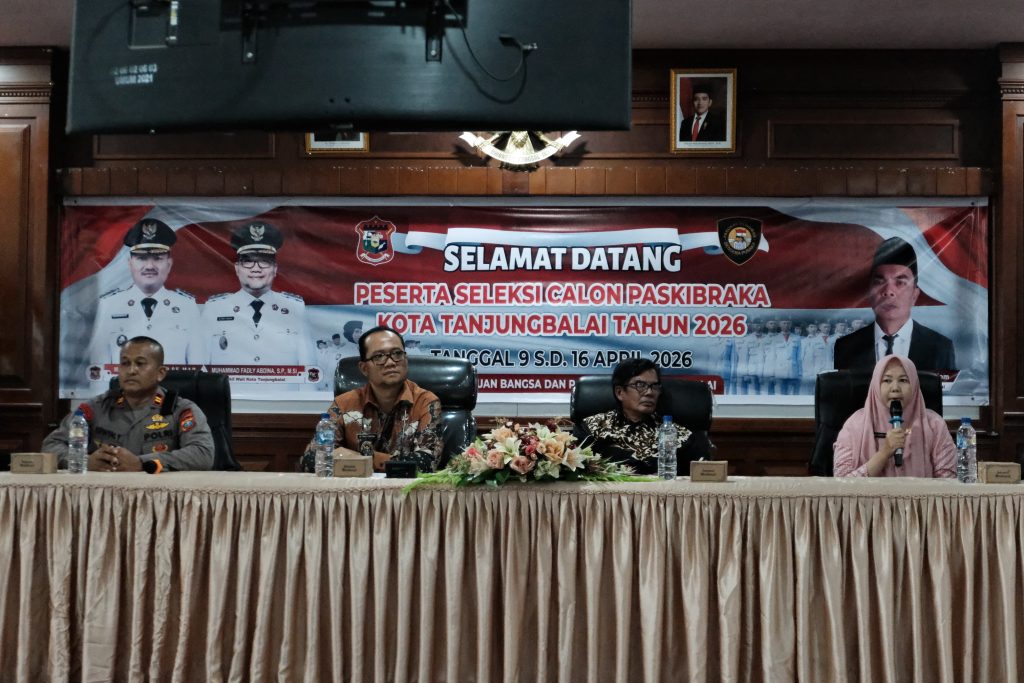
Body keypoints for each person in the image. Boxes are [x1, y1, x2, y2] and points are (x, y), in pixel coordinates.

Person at [43, 336, 214, 472]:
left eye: (140, 364)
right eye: (125, 363)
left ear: (160, 373)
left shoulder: (180, 410)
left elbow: (203, 454)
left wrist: (141, 463)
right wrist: (83, 461)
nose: (131, 370)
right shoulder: (96, 407)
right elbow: (50, 446)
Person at [301, 326, 443, 473]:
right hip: (355, 487)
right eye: (379, 356)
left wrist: (360, 459)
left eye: (397, 353)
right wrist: (390, 462)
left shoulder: (426, 402)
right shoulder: (343, 404)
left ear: (405, 359)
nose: (390, 362)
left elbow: (426, 464)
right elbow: (311, 460)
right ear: (364, 368)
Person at [88, 219, 201, 368]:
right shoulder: (109, 305)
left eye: (157, 258)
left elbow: (198, 367)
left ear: (169, 264)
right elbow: (99, 368)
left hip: (173, 384)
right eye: (141, 258)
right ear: (130, 263)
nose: (149, 266)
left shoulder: (187, 306)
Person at [833, 237, 956, 373]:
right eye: (879, 282)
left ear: (914, 295)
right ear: (869, 293)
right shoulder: (846, 347)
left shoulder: (940, 348)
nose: (888, 291)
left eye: (900, 282)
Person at [202, 221, 314, 368]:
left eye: (264, 261)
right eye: (248, 262)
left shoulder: (295, 308)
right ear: (237, 269)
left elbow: (309, 368)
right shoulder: (215, 308)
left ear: (275, 269)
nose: (256, 269)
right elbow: (201, 366)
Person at [574, 358, 711, 475]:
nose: (650, 392)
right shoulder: (592, 429)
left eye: (655, 386)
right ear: (620, 392)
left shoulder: (680, 435)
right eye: (640, 385)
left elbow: (702, 477)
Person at [833, 355, 955, 478]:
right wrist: (884, 453)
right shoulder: (854, 425)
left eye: (903, 380)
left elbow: (948, 481)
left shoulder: (935, 425)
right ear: (876, 385)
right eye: (887, 380)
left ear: (914, 385)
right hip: (870, 492)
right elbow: (841, 483)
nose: (895, 388)